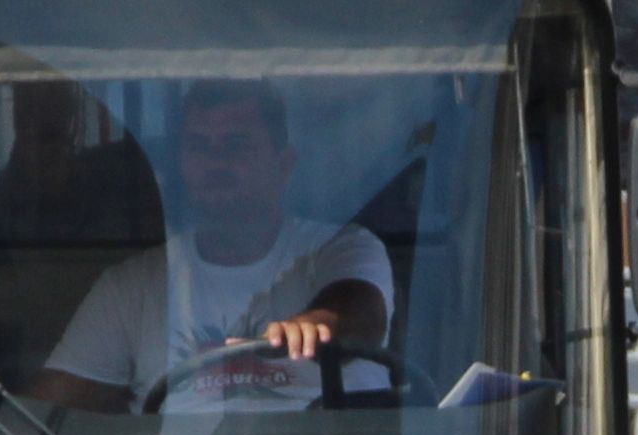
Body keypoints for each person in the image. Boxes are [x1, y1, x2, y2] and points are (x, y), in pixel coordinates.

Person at [31, 80, 389, 413]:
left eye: (236, 145)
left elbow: (362, 313)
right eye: (199, 146)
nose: (216, 162)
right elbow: (46, 414)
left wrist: (314, 326)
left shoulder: (342, 247)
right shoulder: (132, 287)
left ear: (284, 165)